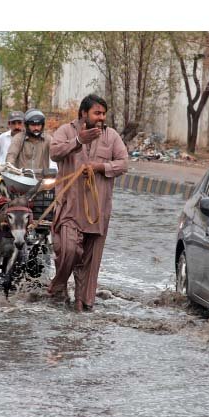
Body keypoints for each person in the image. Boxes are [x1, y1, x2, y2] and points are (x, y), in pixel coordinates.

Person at [47, 94, 128, 312]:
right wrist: (78, 141)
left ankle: (83, 305)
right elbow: (54, 153)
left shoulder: (111, 136)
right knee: (69, 249)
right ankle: (60, 281)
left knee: (91, 265)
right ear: (84, 113)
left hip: (98, 210)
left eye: (103, 114)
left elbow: (123, 163)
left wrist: (100, 168)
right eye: (97, 113)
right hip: (69, 207)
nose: (101, 118)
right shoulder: (66, 131)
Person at [5, 109, 57, 176]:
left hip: (42, 179)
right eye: (33, 125)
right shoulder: (18, 138)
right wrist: (10, 167)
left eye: (38, 125)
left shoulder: (48, 139)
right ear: (27, 125)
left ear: (42, 125)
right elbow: (11, 155)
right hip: (21, 178)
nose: (36, 128)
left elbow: (57, 153)